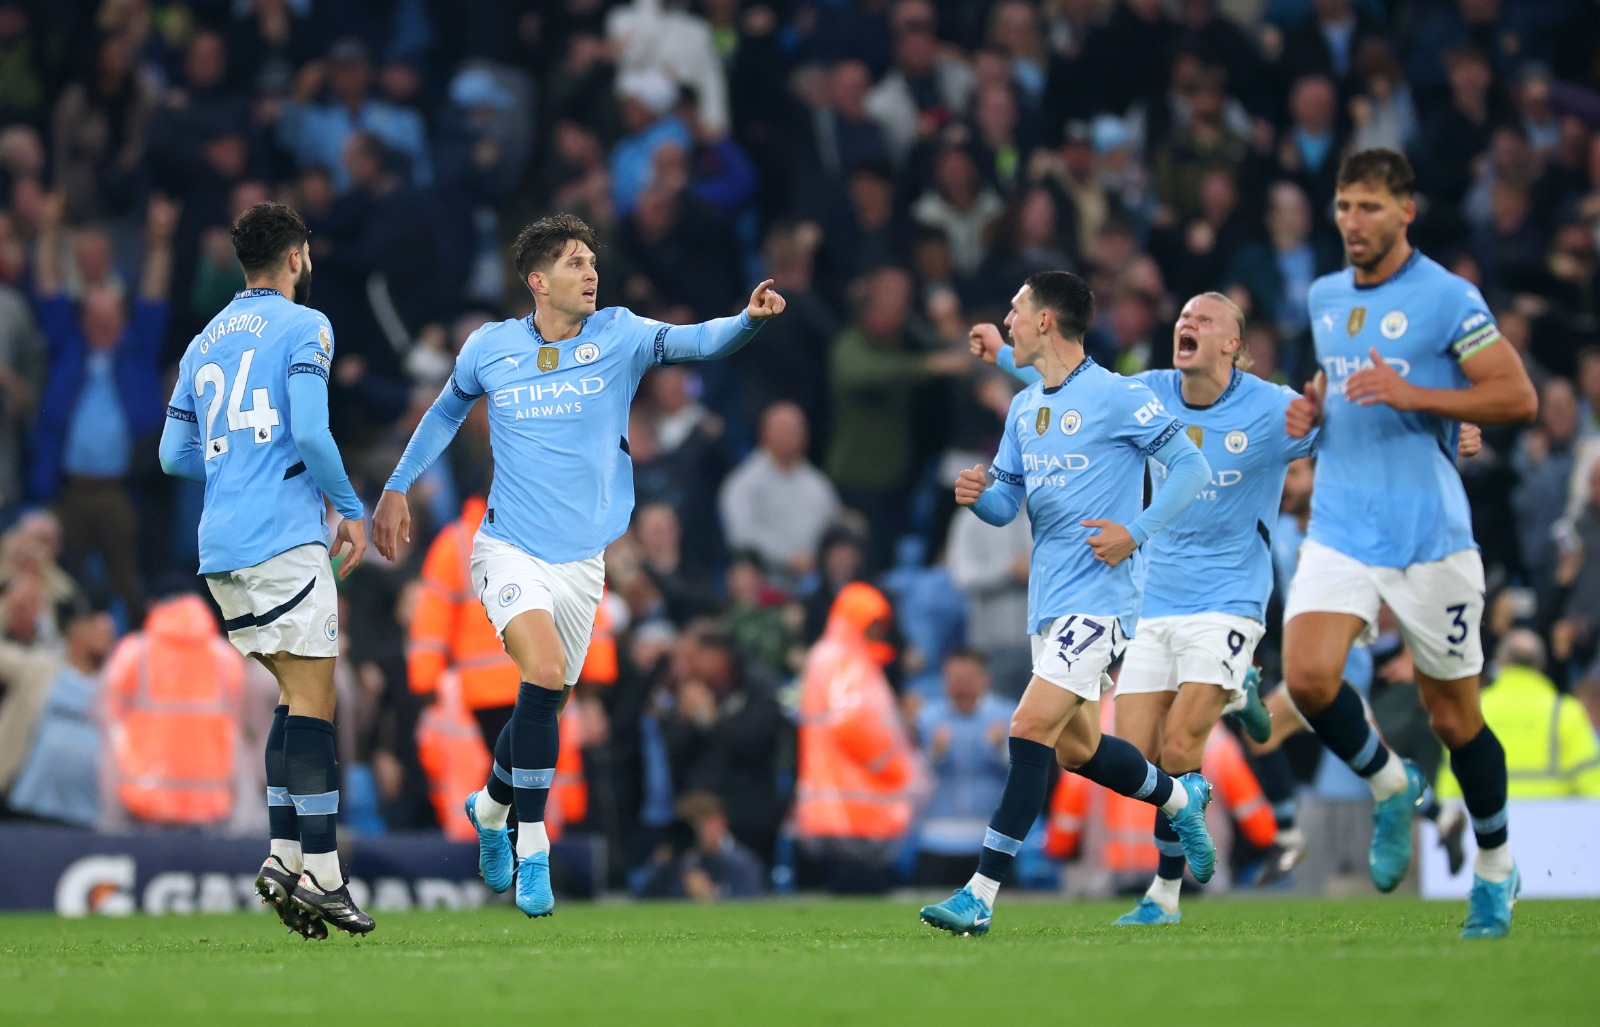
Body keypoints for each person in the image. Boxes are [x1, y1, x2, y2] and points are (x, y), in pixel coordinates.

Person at [371, 213, 785, 919]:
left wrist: (746, 319)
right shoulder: (491, 347)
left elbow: (694, 342)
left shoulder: (618, 333)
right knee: (538, 674)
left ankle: (492, 803)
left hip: (581, 562)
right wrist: (396, 485)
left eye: (592, 260)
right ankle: (534, 850)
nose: (589, 272)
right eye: (572, 262)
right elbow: (443, 414)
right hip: (507, 547)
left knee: (546, 701)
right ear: (538, 281)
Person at [979, 290, 1315, 924]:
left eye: (1204, 319)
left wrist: (1444, 427)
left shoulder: (1273, 406)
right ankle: (1235, 698)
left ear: (1232, 344)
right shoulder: (1150, 391)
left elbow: (1348, 426)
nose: (1185, 322)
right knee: (1126, 751)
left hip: (1229, 596)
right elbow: (1074, 389)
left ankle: (1165, 893)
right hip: (1154, 595)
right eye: (1182, 315)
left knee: (1184, 739)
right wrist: (1000, 352)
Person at [1282, 149, 1537, 939]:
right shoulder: (1324, 297)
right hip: (1342, 521)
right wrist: (1311, 412)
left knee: (1457, 719)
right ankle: (1392, 784)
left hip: (1429, 533)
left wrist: (1419, 396)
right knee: (1309, 676)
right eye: (1344, 206)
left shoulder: (1446, 296)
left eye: (1369, 207)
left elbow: (1518, 396)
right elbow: (1337, 387)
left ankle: (1495, 870)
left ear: (1405, 213)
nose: (1353, 222)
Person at [918, 271, 1216, 937]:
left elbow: (1190, 468)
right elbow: (1006, 503)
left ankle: (980, 892)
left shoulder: (1116, 395)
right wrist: (978, 493)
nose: (1010, 321)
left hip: (1102, 600)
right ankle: (1178, 794)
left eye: (1016, 310)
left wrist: (1133, 532)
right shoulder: (1025, 409)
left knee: (1026, 729)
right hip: (1048, 603)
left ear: (1045, 321)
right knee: (1077, 750)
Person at [159, 202, 374, 939]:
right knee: (316, 700)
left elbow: (171, 455)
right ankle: (324, 871)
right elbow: (311, 430)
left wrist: (233, 468)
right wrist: (350, 507)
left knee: (292, 695)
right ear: (295, 257)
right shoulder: (305, 326)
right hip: (283, 535)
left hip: (220, 545)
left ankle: (283, 856)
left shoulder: (202, 341)